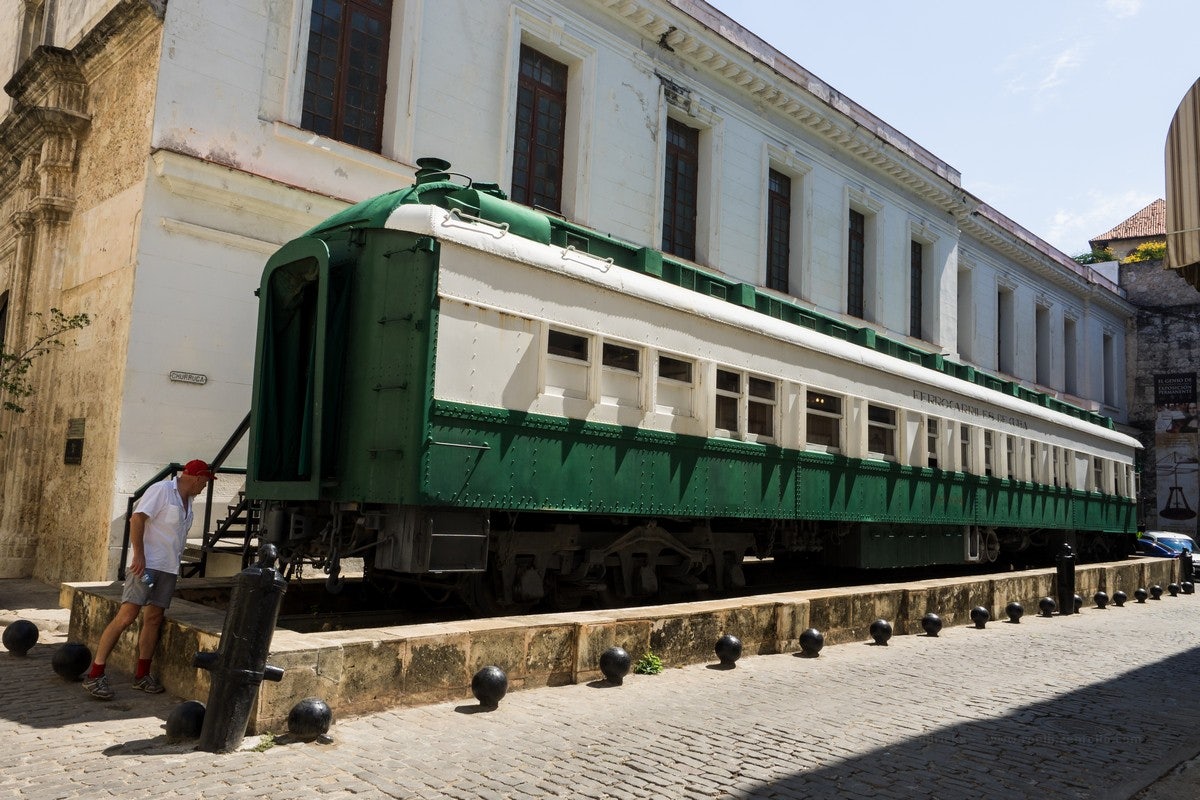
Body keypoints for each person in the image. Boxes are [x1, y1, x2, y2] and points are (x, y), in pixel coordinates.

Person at [82, 459, 215, 700]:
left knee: (154, 618)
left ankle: (142, 675)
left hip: (169, 568)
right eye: (204, 483)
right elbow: (137, 519)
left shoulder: (190, 502)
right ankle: (95, 673)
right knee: (127, 615)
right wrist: (139, 555)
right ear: (196, 477)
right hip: (148, 565)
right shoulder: (162, 491)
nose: (204, 488)